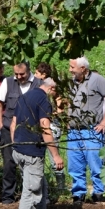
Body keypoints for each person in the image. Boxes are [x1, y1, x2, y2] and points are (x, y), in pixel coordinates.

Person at [11, 78, 64, 209]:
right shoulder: (43, 100)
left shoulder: (25, 96)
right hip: (32, 154)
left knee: (41, 188)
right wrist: (55, 155)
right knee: (31, 193)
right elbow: (44, 127)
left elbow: (13, 123)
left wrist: (16, 144)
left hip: (19, 150)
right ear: (52, 88)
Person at [66, 57, 105, 204]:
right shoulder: (72, 82)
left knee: (95, 163)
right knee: (75, 164)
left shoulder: (97, 79)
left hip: (91, 130)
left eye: (72, 67)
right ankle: (78, 194)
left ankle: (98, 193)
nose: (70, 70)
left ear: (83, 68)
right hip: (74, 131)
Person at [0, 61, 42, 204]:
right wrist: (1, 124)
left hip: (32, 132)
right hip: (9, 130)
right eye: (16, 74)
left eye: (22, 74)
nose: (19, 77)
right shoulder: (8, 82)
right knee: (9, 164)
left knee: (32, 164)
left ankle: (31, 195)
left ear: (29, 71)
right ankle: (8, 197)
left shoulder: (39, 84)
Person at [32, 62, 66, 195]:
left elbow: (60, 104)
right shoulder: (37, 87)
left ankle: (61, 189)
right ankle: (47, 189)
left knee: (54, 159)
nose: (34, 75)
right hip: (41, 125)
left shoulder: (51, 86)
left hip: (52, 126)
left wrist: (51, 115)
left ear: (44, 75)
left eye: (37, 73)